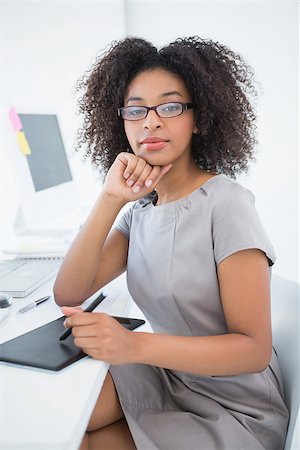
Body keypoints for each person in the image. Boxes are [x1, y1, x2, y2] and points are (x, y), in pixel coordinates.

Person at [53, 36, 289, 450]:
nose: (151, 122)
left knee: (83, 441)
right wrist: (110, 198)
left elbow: (253, 349)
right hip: (170, 374)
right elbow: (69, 291)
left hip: (235, 408)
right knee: (65, 418)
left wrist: (133, 344)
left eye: (170, 106)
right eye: (136, 109)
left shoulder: (226, 204)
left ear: (199, 118)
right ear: (121, 121)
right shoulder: (139, 212)